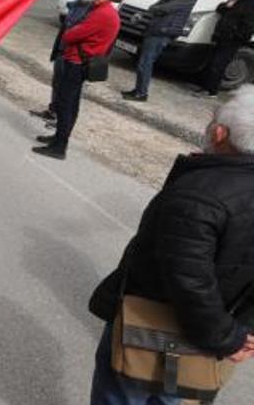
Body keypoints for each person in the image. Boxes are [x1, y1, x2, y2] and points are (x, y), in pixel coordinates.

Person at [86, 85, 254, 403]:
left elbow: (190, 281)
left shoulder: (199, 194)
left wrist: (229, 337)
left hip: (152, 328)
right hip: (212, 335)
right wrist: (243, 330)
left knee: (123, 395)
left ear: (219, 133)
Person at [33, 0, 122, 160]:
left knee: (66, 106)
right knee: (68, 104)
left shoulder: (103, 13)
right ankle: (58, 138)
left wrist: (71, 32)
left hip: (77, 63)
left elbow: (71, 35)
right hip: (76, 60)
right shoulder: (98, 9)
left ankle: (59, 147)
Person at [124, 0, 200, 102]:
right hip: (157, 28)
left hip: (164, 30)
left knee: (146, 62)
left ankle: (141, 93)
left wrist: (155, 9)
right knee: (144, 61)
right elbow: (158, 5)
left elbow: (166, 8)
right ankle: (138, 90)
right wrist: (155, 8)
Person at [31, 0, 97, 123]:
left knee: (67, 88)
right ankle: (53, 110)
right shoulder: (78, 2)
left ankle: (61, 118)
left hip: (73, 55)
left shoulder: (92, 8)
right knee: (57, 82)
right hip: (62, 50)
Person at [199, 0, 254, 98]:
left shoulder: (251, 3)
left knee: (219, 64)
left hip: (232, 39)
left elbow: (248, 25)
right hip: (221, 35)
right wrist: (227, 7)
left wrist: (234, 34)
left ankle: (212, 91)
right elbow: (221, 8)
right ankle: (205, 88)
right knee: (212, 62)